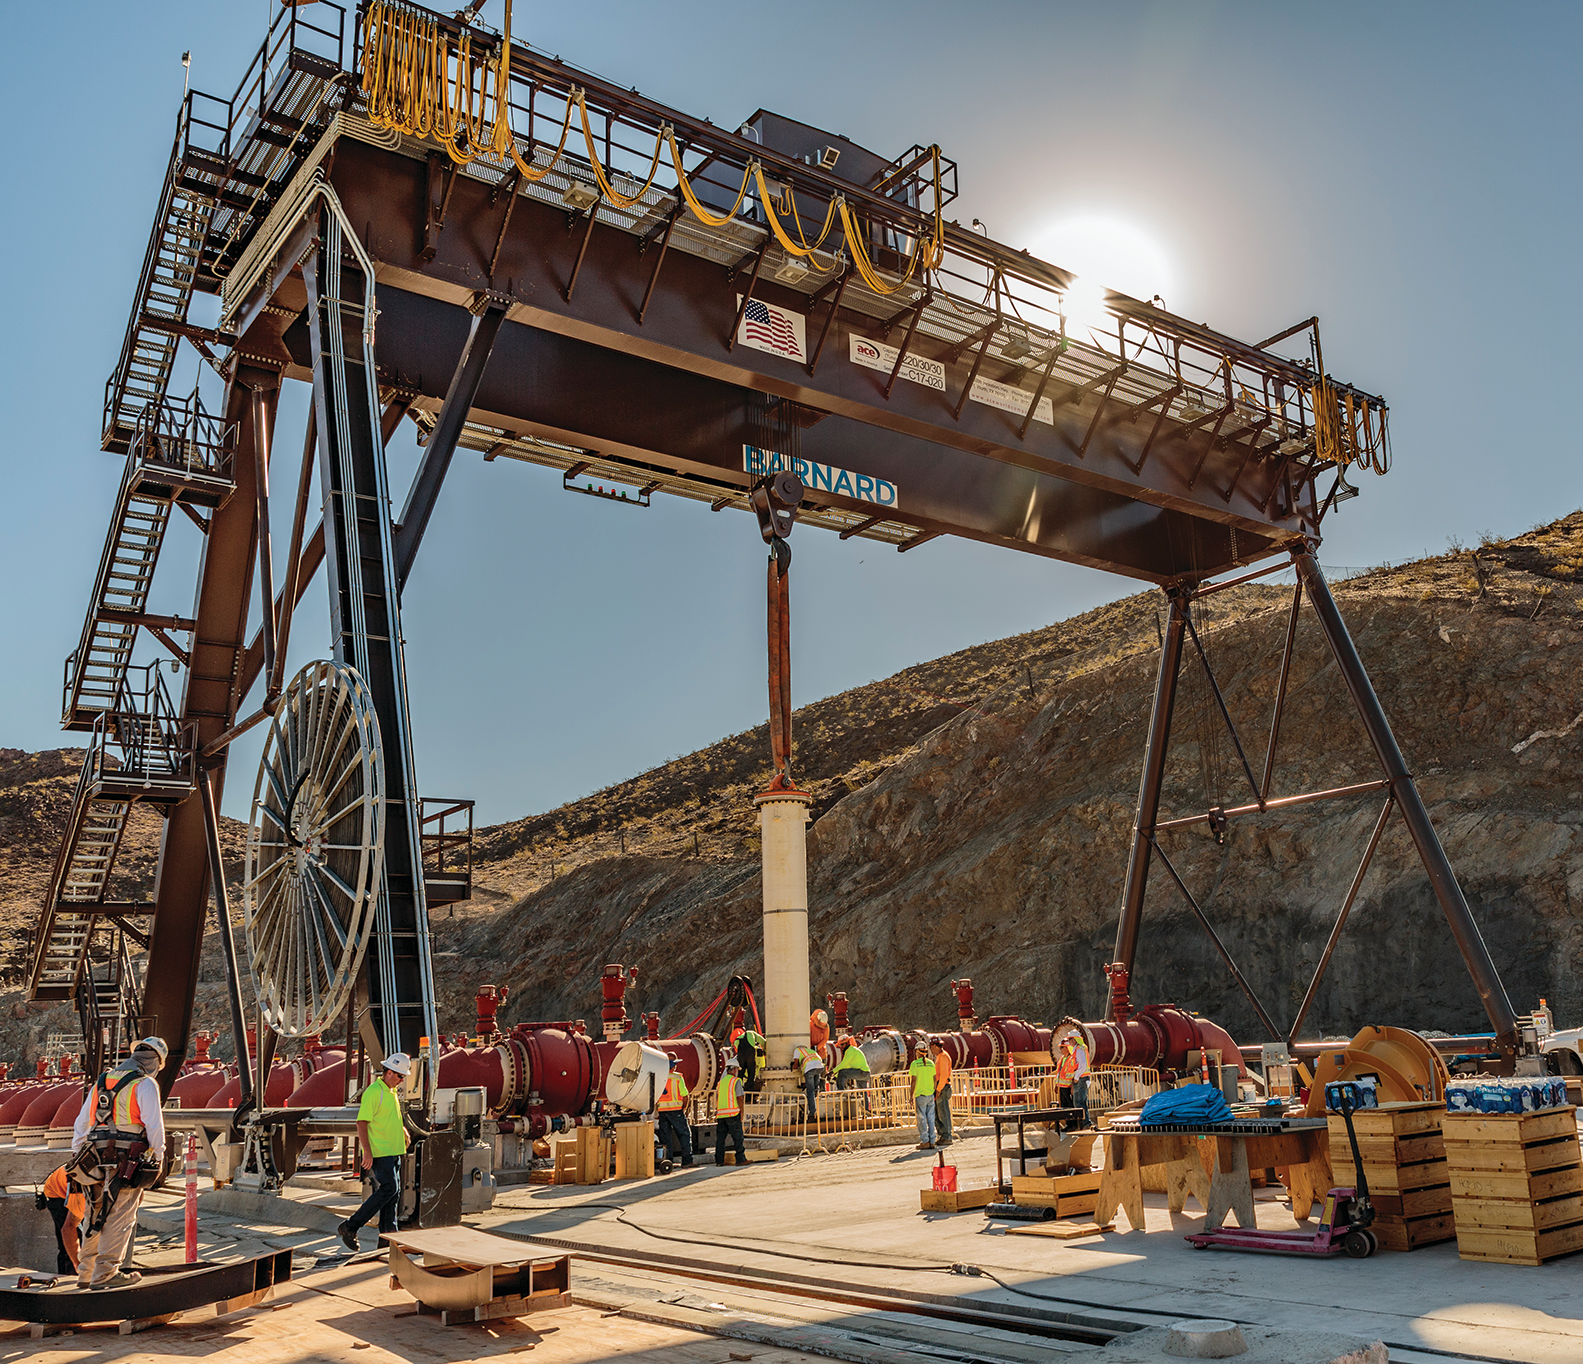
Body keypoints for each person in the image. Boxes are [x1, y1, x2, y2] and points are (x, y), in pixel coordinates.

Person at [71, 1035, 169, 1290]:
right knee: (120, 1214)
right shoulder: (145, 1084)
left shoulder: (101, 1082)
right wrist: (158, 1156)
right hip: (127, 1159)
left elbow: (82, 1124)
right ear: (156, 1062)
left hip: (93, 1156)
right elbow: (153, 1125)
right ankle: (105, 1275)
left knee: (93, 1212)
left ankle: (86, 1274)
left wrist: (77, 1153)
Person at [338, 1051, 412, 1251]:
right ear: (389, 1072)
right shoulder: (374, 1092)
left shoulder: (391, 1092)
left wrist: (401, 1129)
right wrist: (367, 1152)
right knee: (389, 1189)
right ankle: (351, 1226)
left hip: (394, 1151)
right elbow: (362, 1123)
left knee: (393, 1193)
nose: (401, 1080)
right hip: (381, 1153)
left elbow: (386, 1118)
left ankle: (387, 1239)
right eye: (400, 1076)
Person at [41, 1162, 86, 1275]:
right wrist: (78, 1264)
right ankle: (69, 1277)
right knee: (69, 1247)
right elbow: (68, 1228)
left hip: (71, 1184)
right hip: (56, 1193)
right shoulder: (82, 1191)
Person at [656, 1063, 692, 1168]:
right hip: (676, 1110)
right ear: (673, 1067)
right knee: (684, 1134)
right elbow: (685, 1095)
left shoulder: (658, 1077)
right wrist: (684, 1108)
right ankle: (687, 1160)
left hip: (662, 1111)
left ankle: (667, 1162)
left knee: (665, 1137)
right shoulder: (677, 1077)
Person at [714, 1056, 746, 1166]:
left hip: (721, 1114)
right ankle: (740, 1159)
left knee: (720, 1139)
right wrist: (741, 1112)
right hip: (732, 1113)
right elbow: (740, 1098)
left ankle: (719, 1161)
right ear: (735, 1070)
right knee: (738, 1138)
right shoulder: (736, 1081)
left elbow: (718, 1098)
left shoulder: (720, 1083)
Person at [907, 1047, 937, 1150]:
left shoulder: (915, 1064)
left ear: (917, 1052)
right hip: (930, 1094)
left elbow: (913, 1081)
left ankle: (925, 1141)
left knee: (921, 1120)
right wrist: (934, 1092)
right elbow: (934, 1079)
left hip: (920, 1095)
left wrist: (911, 1095)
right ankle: (933, 1141)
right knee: (931, 1118)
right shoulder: (931, 1063)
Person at [1054, 1031, 1091, 1115]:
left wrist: (1076, 1078)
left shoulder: (1079, 1050)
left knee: (1078, 1103)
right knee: (1078, 1103)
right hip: (1073, 1082)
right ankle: (1082, 1123)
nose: (1069, 1041)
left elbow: (1083, 1065)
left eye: (1070, 1039)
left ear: (1074, 1040)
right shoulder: (1074, 1052)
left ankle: (1084, 1123)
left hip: (1079, 1080)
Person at [791, 1042, 825, 1119]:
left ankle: (812, 1113)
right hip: (820, 1067)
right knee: (815, 1087)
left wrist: (793, 1066)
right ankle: (817, 1093)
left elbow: (795, 1065)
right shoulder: (810, 1051)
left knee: (810, 1091)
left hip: (810, 1070)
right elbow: (813, 1064)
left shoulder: (797, 1050)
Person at [930, 1041, 954, 1147]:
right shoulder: (939, 1056)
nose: (930, 1050)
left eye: (931, 1047)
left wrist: (938, 1089)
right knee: (938, 1112)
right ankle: (942, 1135)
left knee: (943, 1112)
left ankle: (947, 1136)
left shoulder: (943, 1057)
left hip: (942, 1087)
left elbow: (943, 1075)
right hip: (940, 1087)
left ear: (936, 1046)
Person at [737, 1028, 766, 1093]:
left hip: (740, 1053)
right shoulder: (753, 1034)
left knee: (740, 1073)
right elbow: (763, 1042)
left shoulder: (738, 1038)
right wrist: (765, 1051)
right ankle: (748, 1093)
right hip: (749, 1053)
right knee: (751, 1073)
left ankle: (738, 1090)